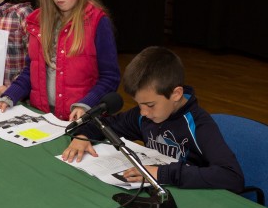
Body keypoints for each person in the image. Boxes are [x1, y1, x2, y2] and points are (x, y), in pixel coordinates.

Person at [62, 46, 245, 193]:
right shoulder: (145, 115)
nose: (143, 113)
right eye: (139, 104)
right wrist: (84, 135)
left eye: (150, 105)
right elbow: (108, 125)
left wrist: (161, 173)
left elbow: (232, 177)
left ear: (176, 94)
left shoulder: (199, 124)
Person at [0, 0, 120, 121]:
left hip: (81, 121)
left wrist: (86, 105)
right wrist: (10, 96)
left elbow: (110, 78)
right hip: (42, 117)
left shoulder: (98, 22)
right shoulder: (38, 21)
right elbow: (31, 71)